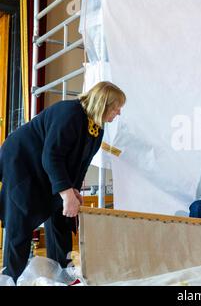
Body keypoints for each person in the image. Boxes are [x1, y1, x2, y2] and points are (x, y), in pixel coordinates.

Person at [0, 81, 126, 282]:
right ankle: (10, 278)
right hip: (23, 161)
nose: (118, 113)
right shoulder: (69, 114)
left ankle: (61, 273)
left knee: (63, 214)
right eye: (116, 107)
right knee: (21, 218)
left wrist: (73, 191)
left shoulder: (96, 130)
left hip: (45, 167)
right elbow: (52, 156)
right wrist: (66, 193)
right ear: (103, 103)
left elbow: (80, 164)